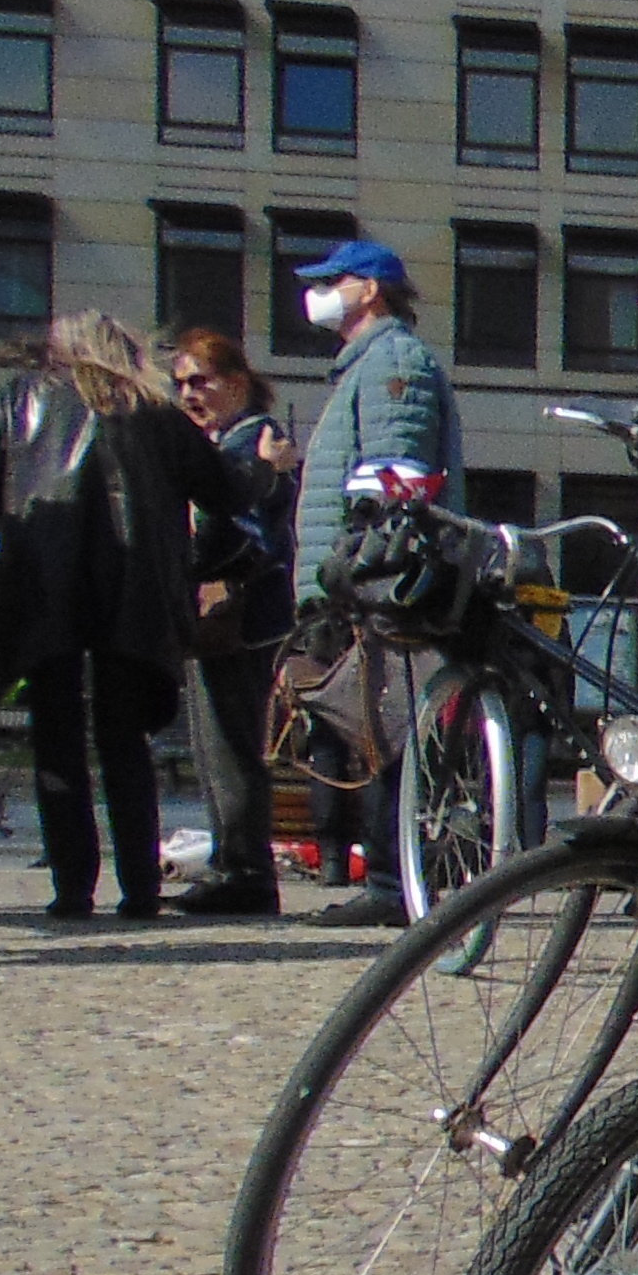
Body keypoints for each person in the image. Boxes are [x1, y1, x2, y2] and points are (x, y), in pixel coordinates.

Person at [0, 314, 237, 927]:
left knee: (56, 742)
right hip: (133, 593)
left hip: (44, 587)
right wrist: (266, 466)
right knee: (125, 744)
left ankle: (70, 888)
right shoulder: (154, 412)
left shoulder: (22, 398)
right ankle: (139, 887)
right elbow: (223, 489)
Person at [288, 242, 458, 923]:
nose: (320, 292)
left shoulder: (391, 362)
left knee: (385, 735)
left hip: (378, 588)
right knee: (376, 734)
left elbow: (392, 486)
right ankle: (389, 879)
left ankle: (391, 883)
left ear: (373, 291)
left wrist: (355, 580)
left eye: (334, 280)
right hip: (364, 584)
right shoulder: (369, 365)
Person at [165, 328, 301, 917]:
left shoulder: (254, 442)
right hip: (226, 612)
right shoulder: (226, 442)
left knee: (231, 744)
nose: (189, 394)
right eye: (181, 384)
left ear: (237, 383)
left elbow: (247, 529)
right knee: (213, 743)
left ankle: (244, 870)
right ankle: (230, 861)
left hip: (243, 614)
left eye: (202, 381)